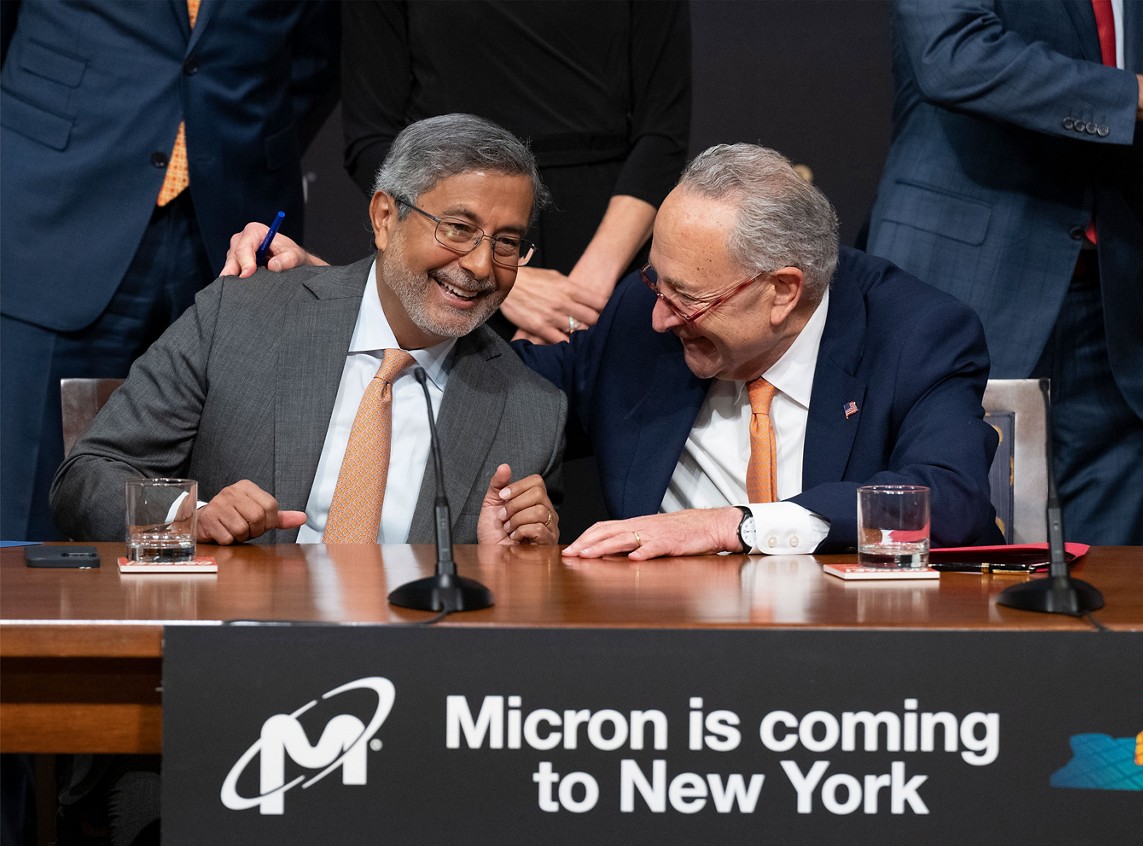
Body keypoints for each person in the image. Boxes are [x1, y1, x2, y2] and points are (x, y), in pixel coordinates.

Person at [226, 143, 1003, 557]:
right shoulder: (641, 317)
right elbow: (482, 386)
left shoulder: (915, 332)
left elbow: (948, 499)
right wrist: (352, 297)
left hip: (861, 671)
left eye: (686, 299)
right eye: (656, 282)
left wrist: (729, 525)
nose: (659, 317)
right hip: (659, 670)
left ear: (782, 290)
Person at [52, 114, 566, 550]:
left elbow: (515, 602)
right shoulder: (243, 317)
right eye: (457, 229)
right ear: (385, 218)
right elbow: (87, 477)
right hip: (234, 630)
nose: (480, 265)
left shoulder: (531, 415)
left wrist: (509, 565)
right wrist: (192, 517)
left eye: (506, 242)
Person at [865, 0, 1143, 546]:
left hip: (1123, 328)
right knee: (945, 574)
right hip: (961, 300)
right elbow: (954, 53)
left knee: (1125, 590)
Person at [0, 0, 341, 542]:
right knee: (24, 501)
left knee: (220, 502)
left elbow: (317, 53)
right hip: (58, 203)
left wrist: (233, 139)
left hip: (232, 216)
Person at [338, 0, 691, 345]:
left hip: (608, 259)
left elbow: (663, 131)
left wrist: (584, 295)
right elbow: (370, 137)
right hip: (452, 254)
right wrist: (498, 277)